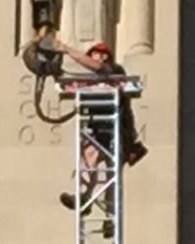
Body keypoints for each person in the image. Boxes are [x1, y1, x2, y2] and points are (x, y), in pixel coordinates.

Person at [52, 39, 148, 229]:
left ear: (103, 56)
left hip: (117, 132)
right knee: (89, 159)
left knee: (110, 176)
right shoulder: (95, 82)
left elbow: (95, 65)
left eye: (95, 55)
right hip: (99, 131)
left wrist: (66, 50)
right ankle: (85, 199)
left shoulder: (114, 71)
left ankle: (109, 217)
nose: (93, 59)